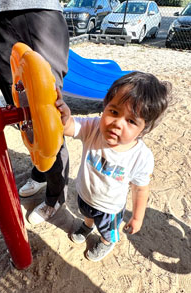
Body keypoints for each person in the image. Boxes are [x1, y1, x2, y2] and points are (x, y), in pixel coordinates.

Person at [54, 71, 171, 262]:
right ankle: (87, 225)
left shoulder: (141, 157)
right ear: (105, 106)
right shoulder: (93, 128)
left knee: (109, 231)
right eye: (114, 112)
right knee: (86, 215)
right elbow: (68, 127)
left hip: (110, 209)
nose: (117, 123)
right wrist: (65, 117)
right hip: (85, 194)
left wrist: (137, 217)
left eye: (131, 121)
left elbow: (140, 189)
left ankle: (107, 242)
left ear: (144, 128)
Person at [0, 0, 70, 222]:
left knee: (50, 116)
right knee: (23, 113)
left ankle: (54, 198)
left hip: (39, 8)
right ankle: (41, 172)